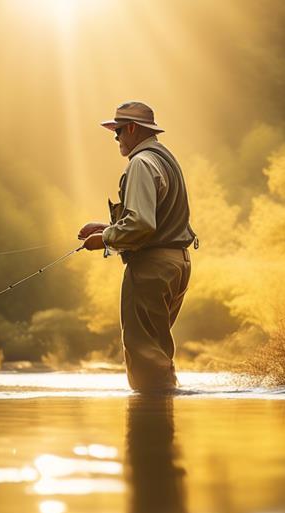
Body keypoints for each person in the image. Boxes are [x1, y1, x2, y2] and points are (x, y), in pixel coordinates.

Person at [78, 101, 197, 393]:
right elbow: (154, 217)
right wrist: (107, 228)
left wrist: (104, 240)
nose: (116, 137)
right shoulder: (165, 159)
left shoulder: (141, 163)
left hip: (151, 267)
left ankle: (151, 429)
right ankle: (163, 419)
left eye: (118, 130)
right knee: (157, 347)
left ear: (132, 128)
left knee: (143, 351)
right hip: (177, 262)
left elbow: (142, 224)